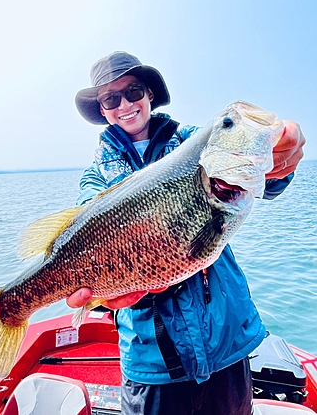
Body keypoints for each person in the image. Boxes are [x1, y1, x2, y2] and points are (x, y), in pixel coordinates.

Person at [69, 52, 305, 415]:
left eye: (133, 91)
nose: (125, 104)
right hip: (152, 359)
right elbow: (87, 228)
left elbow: (268, 181)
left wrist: (282, 150)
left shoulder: (195, 142)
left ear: (149, 94)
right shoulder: (95, 177)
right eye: (111, 98)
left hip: (224, 342)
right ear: (102, 109)